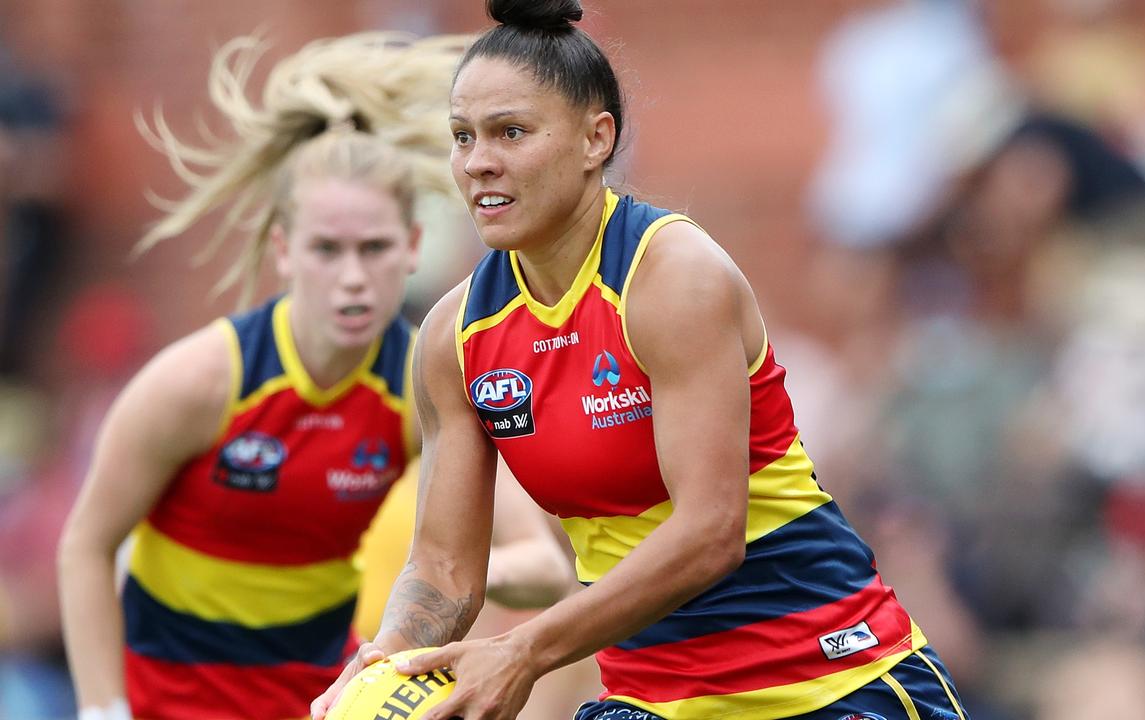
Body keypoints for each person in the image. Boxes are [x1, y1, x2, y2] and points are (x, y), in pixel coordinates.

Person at [313, 2, 969, 719]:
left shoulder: (672, 277)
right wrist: (381, 665)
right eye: (463, 137)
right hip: (654, 700)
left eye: (511, 132)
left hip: (828, 680)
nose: (478, 162)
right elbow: (441, 572)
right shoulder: (454, 336)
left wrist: (524, 650)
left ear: (597, 139)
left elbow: (710, 536)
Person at [56, 31, 573, 720]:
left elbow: (543, 566)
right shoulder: (205, 380)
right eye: (328, 249)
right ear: (284, 251)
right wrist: (101, 710)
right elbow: (86, 546)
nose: (353, 278)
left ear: (413, 247)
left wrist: (456, 583)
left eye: (375, 248)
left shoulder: (423, 378)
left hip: (323, 704)